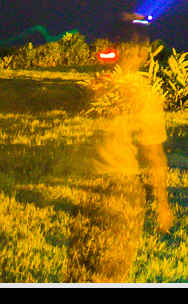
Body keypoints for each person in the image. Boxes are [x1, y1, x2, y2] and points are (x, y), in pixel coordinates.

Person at [65, 16, 173, 282]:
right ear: (142, 52)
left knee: (80, 266)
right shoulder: (144, 96)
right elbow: (154, 155)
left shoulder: (95, 88)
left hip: (88, 187)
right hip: (121, 191)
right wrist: (162, 205)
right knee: (112, 270)